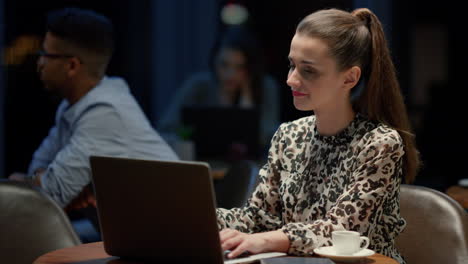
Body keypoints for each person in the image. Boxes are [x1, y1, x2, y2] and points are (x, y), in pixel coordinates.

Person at [216, 8, 420, 264]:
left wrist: (267, 240)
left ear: (350, 77)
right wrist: (199, 217)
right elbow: (257, 217)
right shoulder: (288, 135)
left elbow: (341, 231)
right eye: (292, 65)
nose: (291, 79)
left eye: (308, 71)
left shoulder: (379, 143)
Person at [8, 7, 178, 240]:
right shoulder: (73, 106)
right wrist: (45, 181)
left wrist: (35, 182)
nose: (39, 63)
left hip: (167, 234)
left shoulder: (105, 112)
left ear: (72, 66)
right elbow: (39, 172)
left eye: (45, 54)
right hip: (125, 229)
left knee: (29, 237)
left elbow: (49, 196)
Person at [158, 25, 280, 158]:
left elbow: (267, 137)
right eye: (224, 64)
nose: (230, 74)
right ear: (214, 62)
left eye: (240, 67)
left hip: (251, 167)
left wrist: (246, 101)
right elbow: (166, 127)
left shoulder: (266, 86)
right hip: (203, 162)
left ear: (250, 68)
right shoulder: (199, 86)